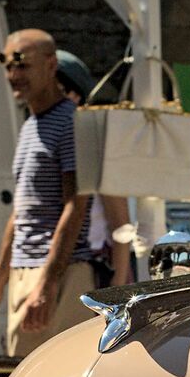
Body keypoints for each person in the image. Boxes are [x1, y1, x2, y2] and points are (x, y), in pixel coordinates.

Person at [0, 30, 93, 356]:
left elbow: (75, 205)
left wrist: (47, 282)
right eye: (8, 66)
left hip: (60, 275)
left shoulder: (71, 123)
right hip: (27, 272)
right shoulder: (30, 126)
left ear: (51, 65)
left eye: (23, 66)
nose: (14, 76)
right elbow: (22, 211)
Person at [55, 48, 131, 289]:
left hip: (92, 270)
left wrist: (117, 286)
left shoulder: (93, 145)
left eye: (57, 91)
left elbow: (120, 224)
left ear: (75, 96)